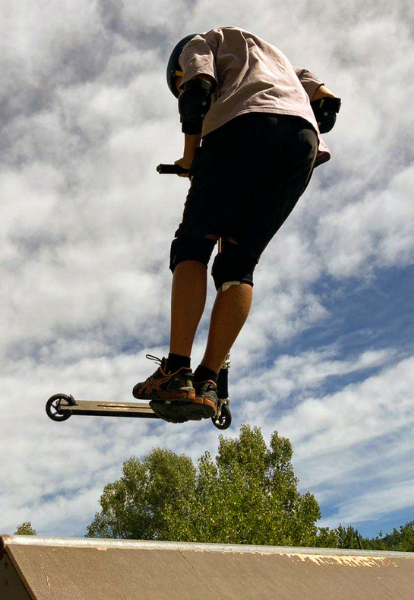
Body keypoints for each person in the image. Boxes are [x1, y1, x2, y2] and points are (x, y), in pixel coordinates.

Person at [133, 27, 341, 423]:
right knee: (237, 263)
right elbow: (323, 98)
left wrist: (190, 156)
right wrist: (320, 101)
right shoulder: (276, 58)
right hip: (301, 145)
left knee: (193, 244)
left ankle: (177, 370)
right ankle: (208, 380)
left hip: (241, 127)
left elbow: (197, 89)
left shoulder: (202, 42)